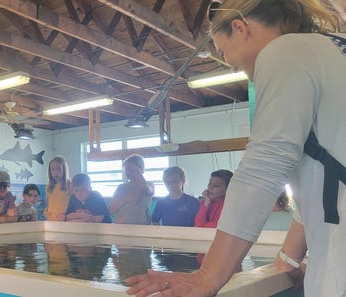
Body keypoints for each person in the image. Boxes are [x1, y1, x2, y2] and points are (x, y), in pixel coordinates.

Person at [126, 1, 345, 296]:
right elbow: (320, 185)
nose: (230, 63)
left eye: (222, 50)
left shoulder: (285, 52)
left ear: (240, 28)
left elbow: (264, 165)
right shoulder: (331, 50)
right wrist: (287, 259)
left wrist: (207, 276)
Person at [109, 155, 154, 224]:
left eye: (132, 169)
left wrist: (137, 172)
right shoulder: (121, 187)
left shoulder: (149, 184)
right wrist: (125, 198)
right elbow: (111, 210)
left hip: (142, 227)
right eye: (126, 169)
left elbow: (149, 191)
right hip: (122, 227)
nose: (128, 172)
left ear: (141, 170)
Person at [43, 156, 71, 221]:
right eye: (53, 169)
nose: (56, 172)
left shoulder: (69, 185)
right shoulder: (49, 187)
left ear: (64, 170)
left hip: (64, 220)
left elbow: (73, 204)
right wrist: (46, 214)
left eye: (59, 169)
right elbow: (49, 205)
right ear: (50, 171)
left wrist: (65, 216)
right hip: (51, 219)